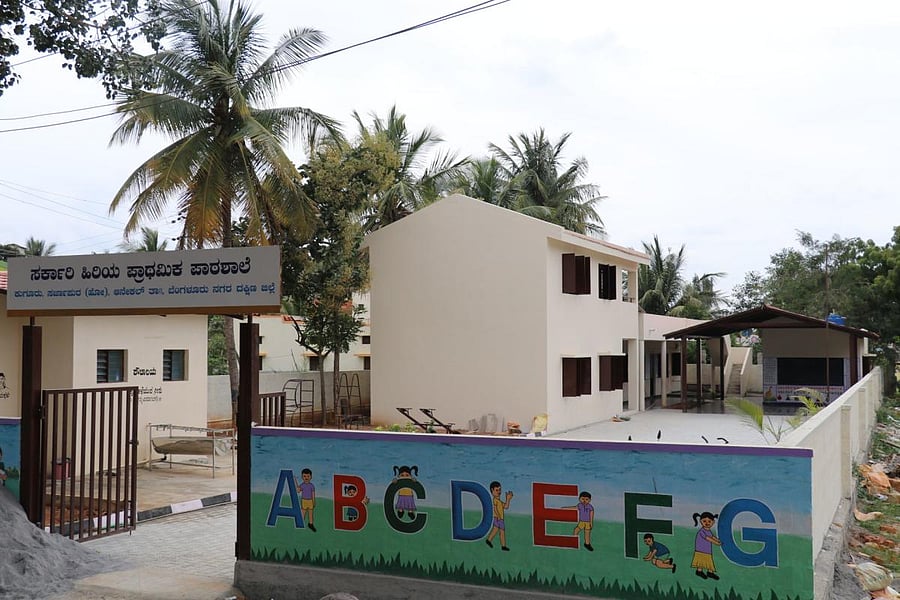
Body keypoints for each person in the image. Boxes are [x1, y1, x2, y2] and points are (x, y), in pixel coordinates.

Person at [691, 511, 722, 580]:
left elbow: (712, 536)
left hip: (707, 551)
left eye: (709, 521)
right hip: (700, 550)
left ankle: (710, 573)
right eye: (704, 521)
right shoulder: (702, 531)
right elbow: (708, 538)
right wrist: (716, 543)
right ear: (701, 521)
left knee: (709, 562)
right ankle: (699, 571)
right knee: (700, 563)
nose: (707, 523)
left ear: (713, 522)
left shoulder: (708, 531)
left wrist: (717, 540)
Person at [485, 481, 513, 551]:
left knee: (496, 530)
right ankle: (503, 546)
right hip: (498, 518)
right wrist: (498, 516)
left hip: (500, 519)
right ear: (492, 491)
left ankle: (489, 540)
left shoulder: (499, 501)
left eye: (500, 489)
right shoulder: (495, 500)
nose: (499, 491)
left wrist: (508, 499)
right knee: (501, 531)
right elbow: (494, 509)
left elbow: (506, 507)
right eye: (496, 490)